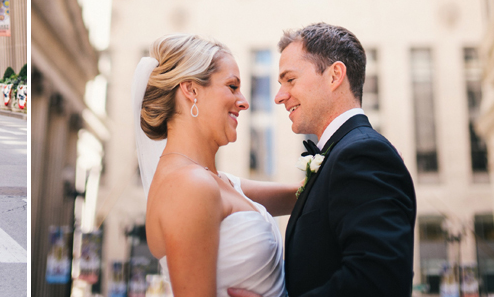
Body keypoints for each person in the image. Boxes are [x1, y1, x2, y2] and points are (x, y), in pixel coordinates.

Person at [228, 23, 417, 297]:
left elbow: (378, 281)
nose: (279, 96)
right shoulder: (343, 154)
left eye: (290, 80)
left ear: (334, 75)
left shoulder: (363, 155)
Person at [133, 34, 297, 297]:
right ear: (191, 90)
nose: (244, 101)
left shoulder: (218, 180)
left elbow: (299, 196)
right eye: (232, 86)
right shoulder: (189, 186)